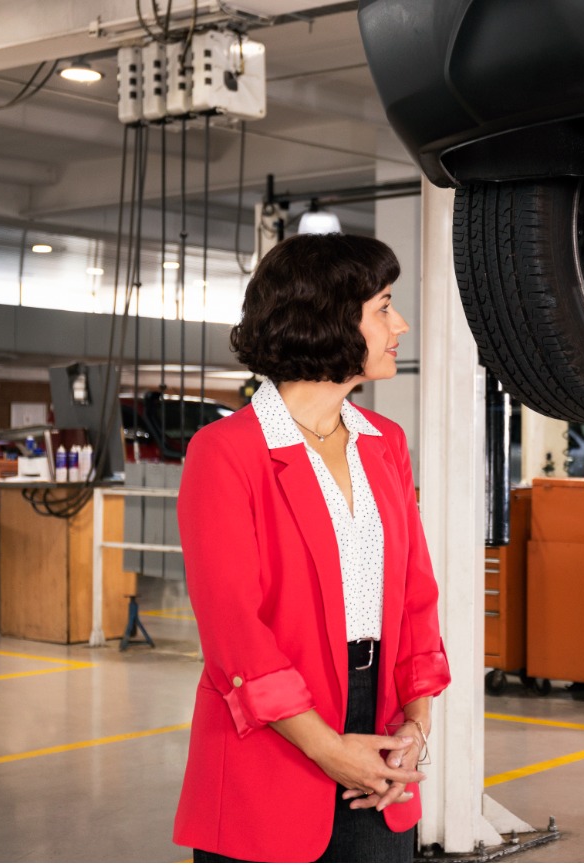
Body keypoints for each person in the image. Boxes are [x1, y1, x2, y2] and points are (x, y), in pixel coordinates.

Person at [174, 233, 451, 863]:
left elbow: (413, 593)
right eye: (383, 307)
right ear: (328, 319)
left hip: (380, 716)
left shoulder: (384, 441)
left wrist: (415, 724)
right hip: (272, 728)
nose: (398, 323)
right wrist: (329, 749)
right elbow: (233, 631)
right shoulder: (225, 453)